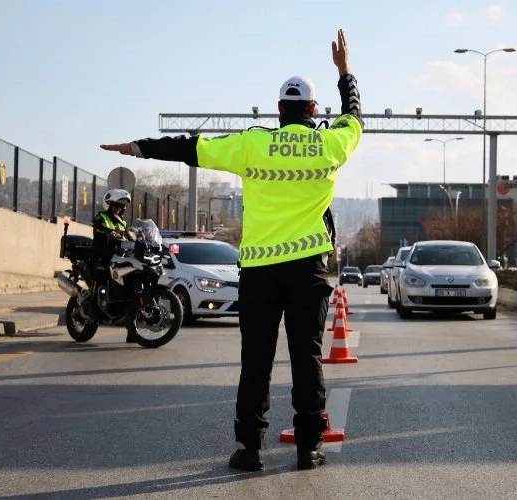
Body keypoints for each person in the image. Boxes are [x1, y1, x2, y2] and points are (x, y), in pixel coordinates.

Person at [100, 28, 362, 470]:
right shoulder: (330, 143)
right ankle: (309, 447)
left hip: (260, 271)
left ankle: (249, 449)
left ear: (279, 110)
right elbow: (355, 116)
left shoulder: (253, 142)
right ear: (314, 111)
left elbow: (190, 149)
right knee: (307, 357)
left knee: (255, 361)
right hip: (307, 271)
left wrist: (138, 147)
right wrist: (345, 71)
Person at [92, 188, 137, 343]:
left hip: (119, 259)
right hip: (102, 257)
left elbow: (130, 235)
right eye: (116, 205)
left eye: (121, 206)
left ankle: (132, 330)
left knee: (131, 291)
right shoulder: (102, 216)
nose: (119, 208)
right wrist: (110, 231)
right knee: (102, 279)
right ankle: (96, 308)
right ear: (109, 205)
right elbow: (97, 224)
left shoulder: (123, 222)